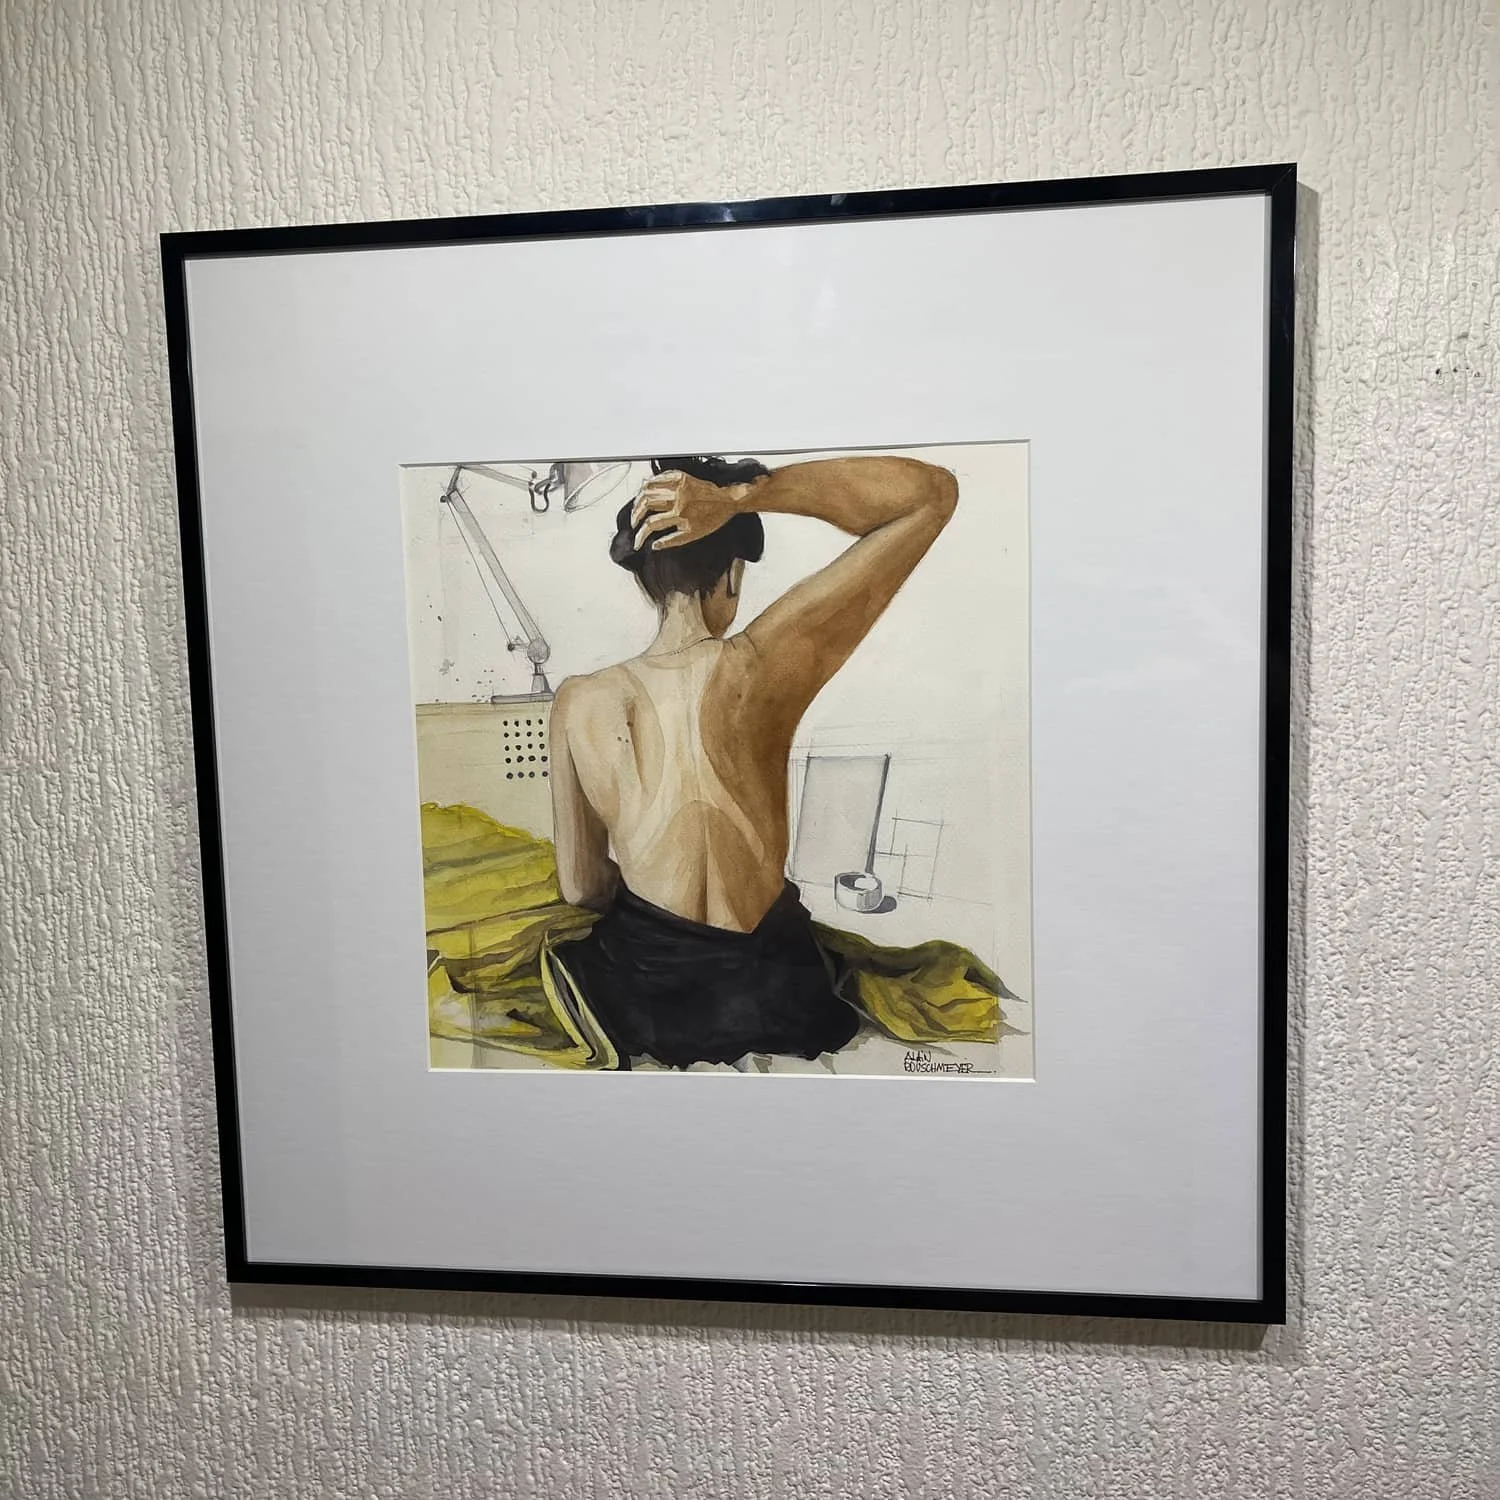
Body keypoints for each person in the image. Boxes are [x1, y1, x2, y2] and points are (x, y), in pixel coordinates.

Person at [547, 452, 959, 1068]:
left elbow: (581, 887)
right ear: (733, 575)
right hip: (776, 994)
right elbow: (932, 493)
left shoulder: (577, 700)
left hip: (645, 996)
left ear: (644, 577)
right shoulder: (765, 664)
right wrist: (742, 498)